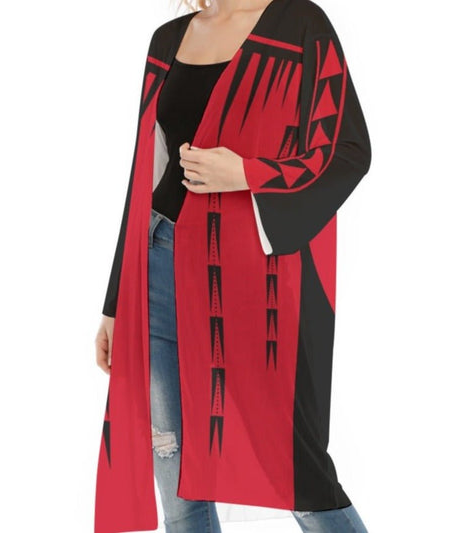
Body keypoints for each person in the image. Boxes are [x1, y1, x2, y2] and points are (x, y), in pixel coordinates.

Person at [95, 1, 371, 531]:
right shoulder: (168, 38)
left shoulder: (301, 25)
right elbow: (144, 174)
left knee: (296, 470)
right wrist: (115, 303)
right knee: (177, 475)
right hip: (157, 266)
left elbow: (348, 151)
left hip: (249, 276)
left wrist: (248, 174)